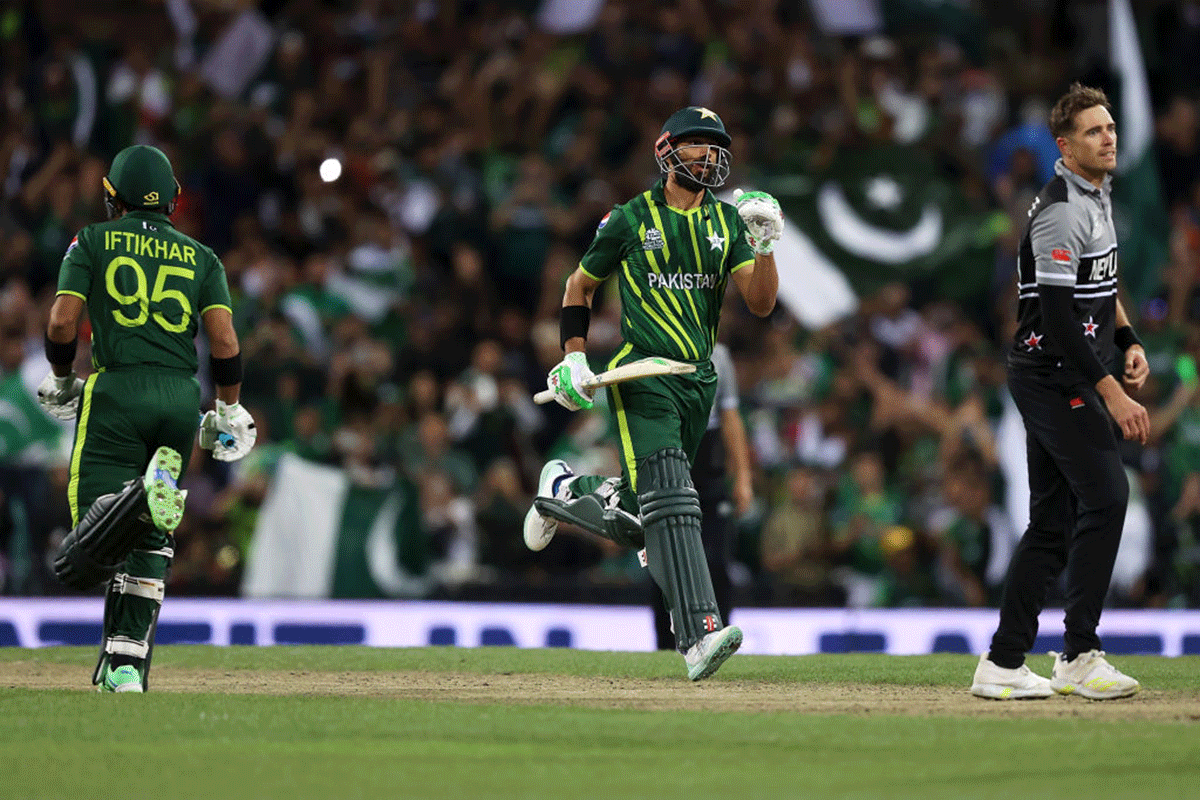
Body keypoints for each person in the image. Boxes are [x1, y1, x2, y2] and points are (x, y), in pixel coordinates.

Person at [522, 106, 781, 680]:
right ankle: (698, 634)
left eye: (716, 148)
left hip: (698, 379)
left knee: (645, 513)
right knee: (675, 498)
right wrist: (571, 357)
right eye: (697, 146)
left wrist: (764, 248)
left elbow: (760, 304)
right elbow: (579, 285)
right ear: (666, 152)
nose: (710, 157)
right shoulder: (630, 218)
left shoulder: (727, 222)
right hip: (641, 373)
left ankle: (565, 489)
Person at [38, 144, 256, 693]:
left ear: (113, 197)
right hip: (181, 398)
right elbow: (225, 342)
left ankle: (139, 498)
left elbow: (63, 322)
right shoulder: (203, 257)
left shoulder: (91, 240)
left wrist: (64, 377)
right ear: (173, 200)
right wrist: (227, 407)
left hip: (118, 390)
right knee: (151, 541)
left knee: (87, 539)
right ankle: (125, 666)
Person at [970, 84, 1148, 701]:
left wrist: (1126, 337)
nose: (1109, 137)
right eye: (1094, 131)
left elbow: (1101, 287)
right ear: (1065, 147)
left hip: (1063, 373)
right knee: (1107, 493)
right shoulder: (1058, 210)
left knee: (1052, 520)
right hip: (1050, 373)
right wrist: (1112, 393)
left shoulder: (1095, 199)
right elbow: (1058, 314)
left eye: (1111, 127)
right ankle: (1078, 653)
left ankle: (1003, 662)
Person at [650, 341, 753, 650]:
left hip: (709, 469)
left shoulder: (718, 354)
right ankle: (666, 647)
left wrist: (743, 476)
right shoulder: (654, 350)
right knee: (664, 562)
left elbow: (730, 417)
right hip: (668, 460)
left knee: (717, 560)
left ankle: (718, 639)